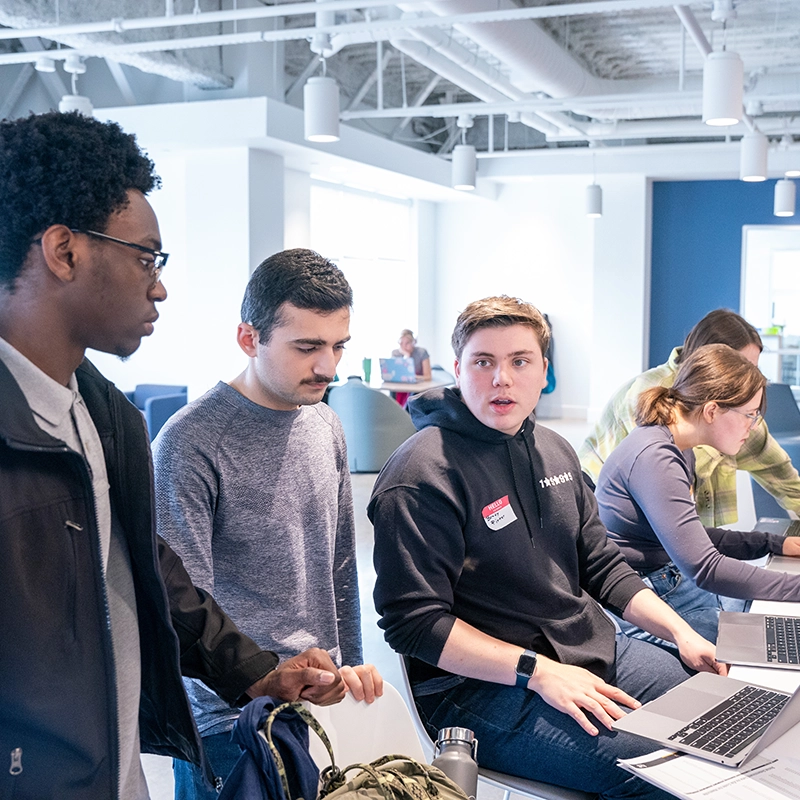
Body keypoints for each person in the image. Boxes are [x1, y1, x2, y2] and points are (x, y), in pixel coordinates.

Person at [0, 112, 345, 800]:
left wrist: (256, 670)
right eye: (146, 258)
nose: (158, 286)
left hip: (117, 771)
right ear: (65, 251)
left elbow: (156, 579)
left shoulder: (104, 417)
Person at [369, 295, 725, 800]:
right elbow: (415, 625)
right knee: (665, 771)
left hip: (585, 648)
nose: (502, 379)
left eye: (519, 361)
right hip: (479, 690)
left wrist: (681, 632)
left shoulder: (553, 449)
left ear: (544, 372)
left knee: (718, 714)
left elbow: (602, 565)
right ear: (457, 369)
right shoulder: (421, 475)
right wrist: (535, 672)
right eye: (483, 362)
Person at [154, 248, 383, 800]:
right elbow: (182, 603)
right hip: (231, 720)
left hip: (320, 703)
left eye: (338, 345)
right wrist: (243, 697)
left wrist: (350, 668)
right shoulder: (190, 444)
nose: (328, 367)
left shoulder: (325, 423)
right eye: (307, 347)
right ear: (249, 339)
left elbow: (340, 566)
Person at [595, 343, 800, 645]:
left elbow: (693, 539)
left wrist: (775, 544)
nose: (752, 427)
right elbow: (704, 567)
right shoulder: (656, 458)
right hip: (650, 598)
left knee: (768, 618)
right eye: (749, 415)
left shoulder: (677, 445)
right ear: (712, 410)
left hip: (671, 581)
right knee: (763, 642)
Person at [579, 309, 800, 526]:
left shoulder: (739, 411)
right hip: (599, 508)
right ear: (710, 364)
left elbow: (783, 476)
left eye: (754, 369)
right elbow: (665, 492)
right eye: (741, 368)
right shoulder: (649, 393)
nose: (751, 381)